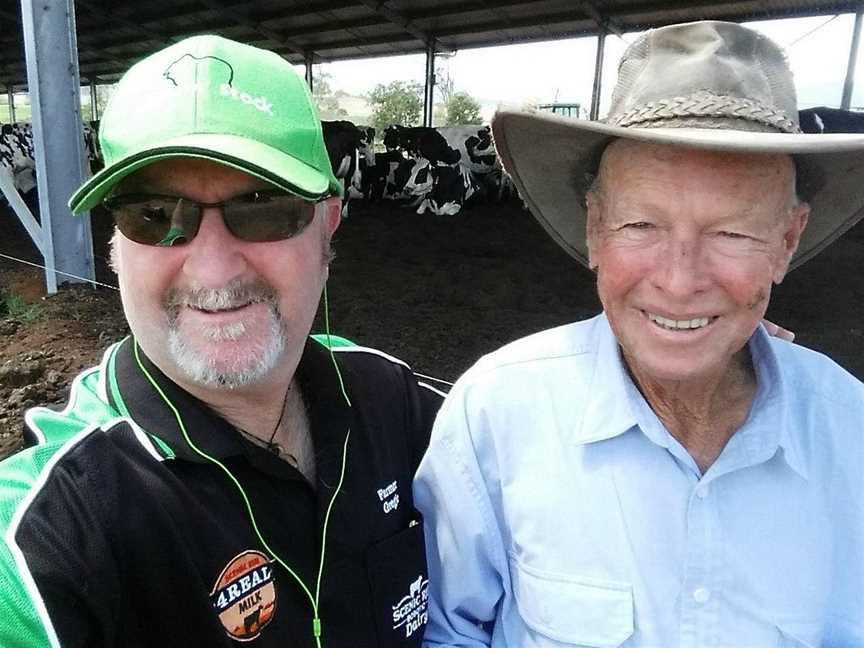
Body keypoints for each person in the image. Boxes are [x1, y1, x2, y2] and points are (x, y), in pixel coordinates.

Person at [414, 21, 864, 647]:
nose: (680, 283)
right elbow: (451, 631)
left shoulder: (853, 435)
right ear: (596, 228)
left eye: (732, 233)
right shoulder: (496, 412)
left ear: (787, 242)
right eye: (640, 224)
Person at [0, 35, 442, 647]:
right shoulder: (53, 528)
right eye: (155, 215)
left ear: (327, 228)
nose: (214, 272)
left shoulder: (397, 403)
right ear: (115, 246)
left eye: (263, 207)